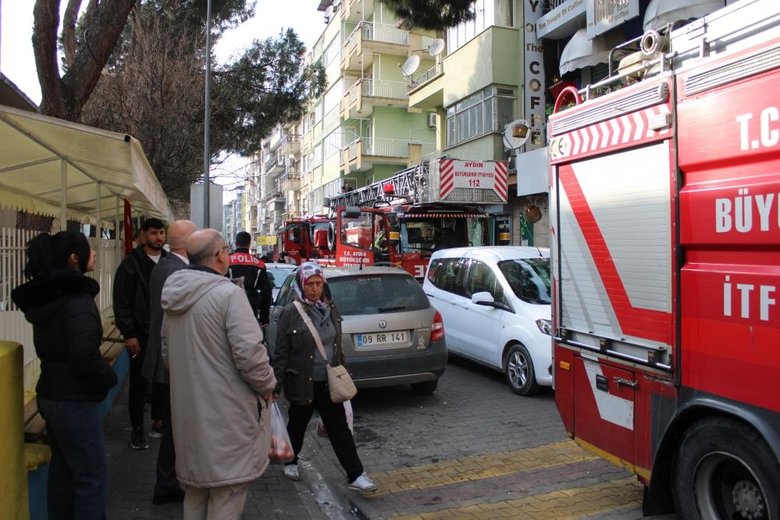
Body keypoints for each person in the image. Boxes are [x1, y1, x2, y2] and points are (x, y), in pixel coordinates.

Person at [161, 229, 276, 519]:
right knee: (227, 493)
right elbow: (251, 356)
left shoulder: (173, 297)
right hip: (228, 416)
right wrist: (268, 385)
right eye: (225, 248)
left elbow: (167, 353)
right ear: (219, 256)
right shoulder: (229, 295)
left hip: (188, 415)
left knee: (196, 492)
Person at [11, 231, 117, 519]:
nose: (93, 253)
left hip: (52, 393)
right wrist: (108, 378)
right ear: (74, 258)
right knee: (90, 477)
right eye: (88, 249)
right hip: (73, 398)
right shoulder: (76, 300)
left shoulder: (51, 298)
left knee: (64, 472)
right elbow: (83, 353)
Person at [271, 262, 377, 493]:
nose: (315, 289)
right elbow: (281, 353)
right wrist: (275, 385)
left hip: (329, 383)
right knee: (298, 424)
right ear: (301, 285)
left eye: (319, 283)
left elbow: (336, 346)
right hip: (302, 382)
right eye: (310, 284)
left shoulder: (331, 309)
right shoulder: (291, 312)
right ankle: (291, 460)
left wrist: (342, 371)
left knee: (339, 429)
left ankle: (356, 474)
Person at [143, 220, 196, 505]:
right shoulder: (176, 270)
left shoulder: (165, 266)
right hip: (171, 361)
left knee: (174, 428)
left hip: (166, 359)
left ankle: (169, 481)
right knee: (175, 429)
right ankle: (166, 483)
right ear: (187, 242)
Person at [113, 217, 167, 450]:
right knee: (139, 382)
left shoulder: (168, 261)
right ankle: (137, 429)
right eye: (154, 233)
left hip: (164, 332)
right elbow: (122, 301)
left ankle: (158, 421)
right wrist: (129, 334)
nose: (158, 237)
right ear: (144, 235)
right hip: (142, 333)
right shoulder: (131, 264)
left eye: (161, 233)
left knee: (162, 381)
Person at [228, 231, 273, 327]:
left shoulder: (227, 261)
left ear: (236, 243)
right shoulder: (259, 264)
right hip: (251, 308)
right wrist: (264, 318)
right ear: (249, 244)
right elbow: (266, 291)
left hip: (229, 307)